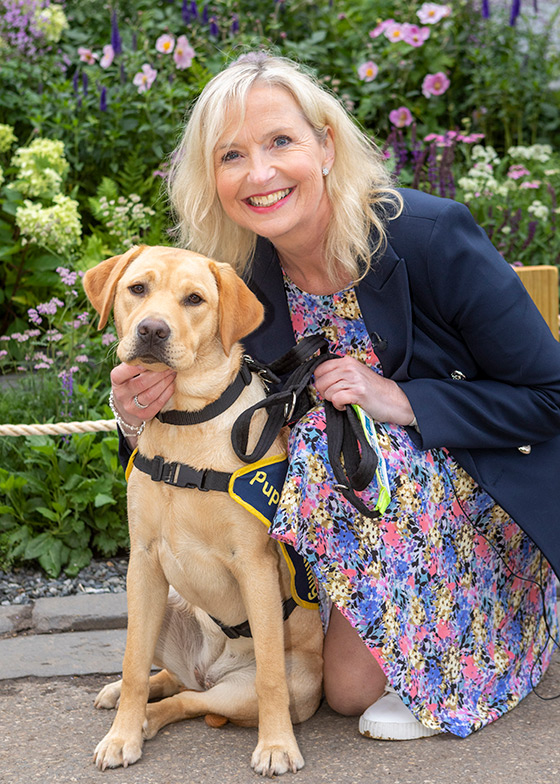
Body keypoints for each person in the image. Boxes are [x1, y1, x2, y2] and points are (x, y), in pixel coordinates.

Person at [109, 52, 560, 741]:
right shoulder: (238, 285)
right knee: (344, 689)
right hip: (348, 510)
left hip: (466, 493)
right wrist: (134, 412)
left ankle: (498, 626)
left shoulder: (429, 236)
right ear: (213, 176)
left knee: (329, 435)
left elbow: (550, 395)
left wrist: (402, 400)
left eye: (280, 142)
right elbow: (206, 425)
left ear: (325, 144)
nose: (258, 173)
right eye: (232, 155)